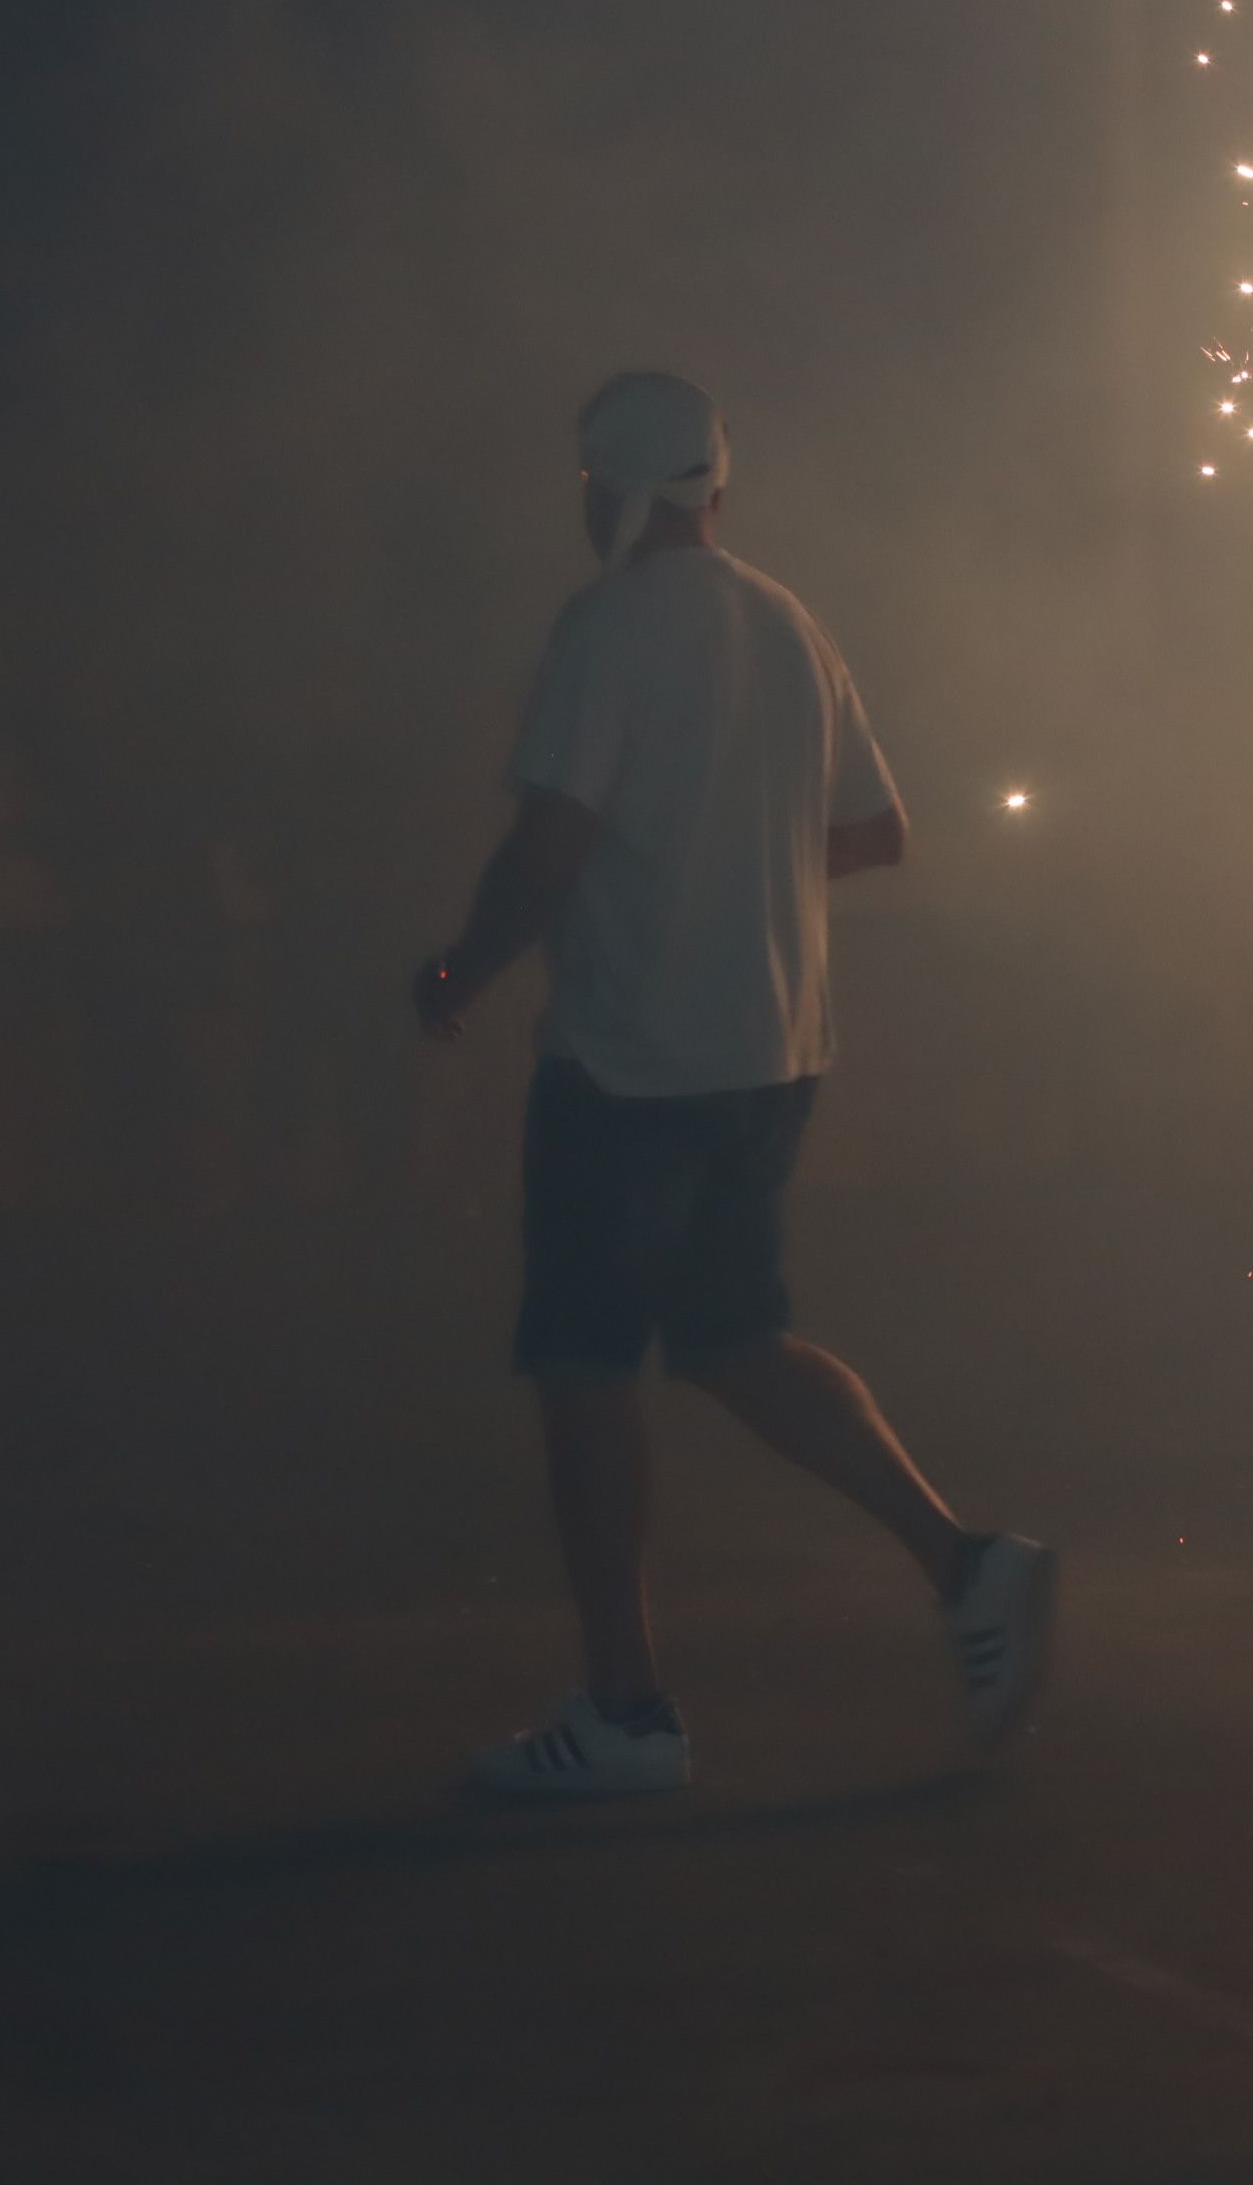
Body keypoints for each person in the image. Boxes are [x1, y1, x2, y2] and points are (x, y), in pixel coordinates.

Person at [414, 370, 1052, 1799]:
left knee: (583, 1371)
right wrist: (741, 871)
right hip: (771, 1051)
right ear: (717, 487)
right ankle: (966, 1564)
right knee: (726, 1343)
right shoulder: (787, 621)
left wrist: (462, 972)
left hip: (634, 1062)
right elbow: (879, 831)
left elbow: (552, 840)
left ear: (613, 489)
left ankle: (626, 1713)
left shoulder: (609, 630)